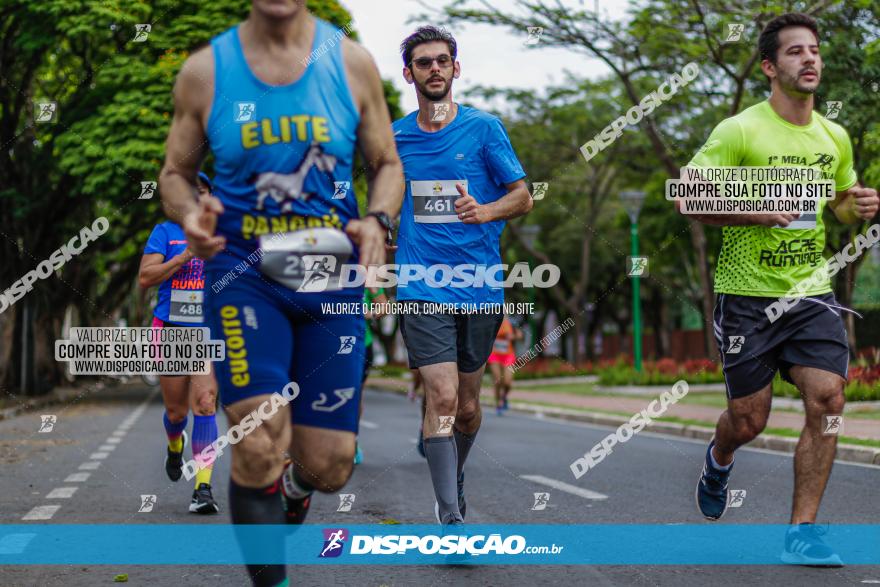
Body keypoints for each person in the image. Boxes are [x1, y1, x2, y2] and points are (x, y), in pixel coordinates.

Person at [158, 1, 403, 585]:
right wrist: (191, 215)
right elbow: (174, 173)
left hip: (330, 276)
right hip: (245, 274)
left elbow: (387, 163)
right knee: (260, 437)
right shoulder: (205, 70)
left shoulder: (350, 64)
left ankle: (293, 487)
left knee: (330, 466)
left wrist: (378, 221)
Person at [683, 12, 878, 566]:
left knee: (830, 399)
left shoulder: (833, 135)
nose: (810, 59)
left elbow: (837, 208)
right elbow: (688, 199)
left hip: (809, 293)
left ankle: (802, 530)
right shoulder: (739, 130)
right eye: (795, 52)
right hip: (746, 297)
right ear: (769, 66)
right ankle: (720, 458)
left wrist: (855, 204)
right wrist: (754, 213)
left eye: (814, 50)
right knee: (750, 419)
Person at [393, 25, 532, 527]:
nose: (434, 68)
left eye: (442, 61)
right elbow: (382, 200)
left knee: (468, 409)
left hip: (478, 286)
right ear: (409, 73)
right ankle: (449, 513)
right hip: (419, 285)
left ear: (456, 68)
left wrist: (487, 210)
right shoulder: (395, 137)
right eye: (424, 62)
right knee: (444, 396)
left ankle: (452, 474)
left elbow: (523, 196)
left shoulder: (485, 129)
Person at [138, 172, 220, 514]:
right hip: (171, 327)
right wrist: (184, 257)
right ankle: (175, 444)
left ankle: (203, 489)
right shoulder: (165, 233)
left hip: (208, 329)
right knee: (176, 412)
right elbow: (145, 278)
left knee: (204, 402)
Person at [355, 286, 388, 465]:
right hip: (329, 341)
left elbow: (384, 306)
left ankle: (352, 440)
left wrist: (371, 314)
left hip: (361, 343)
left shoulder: (368, 276)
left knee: (356, 394)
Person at [487, 315, 523, 415]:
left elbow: (520, 335)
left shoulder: (512, 322)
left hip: (508, 355)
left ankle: (504, 396)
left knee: (508, 383)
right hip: (494, 354)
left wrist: (513, 336)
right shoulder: (492, 320)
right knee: (497, 380)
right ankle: (498, 403)